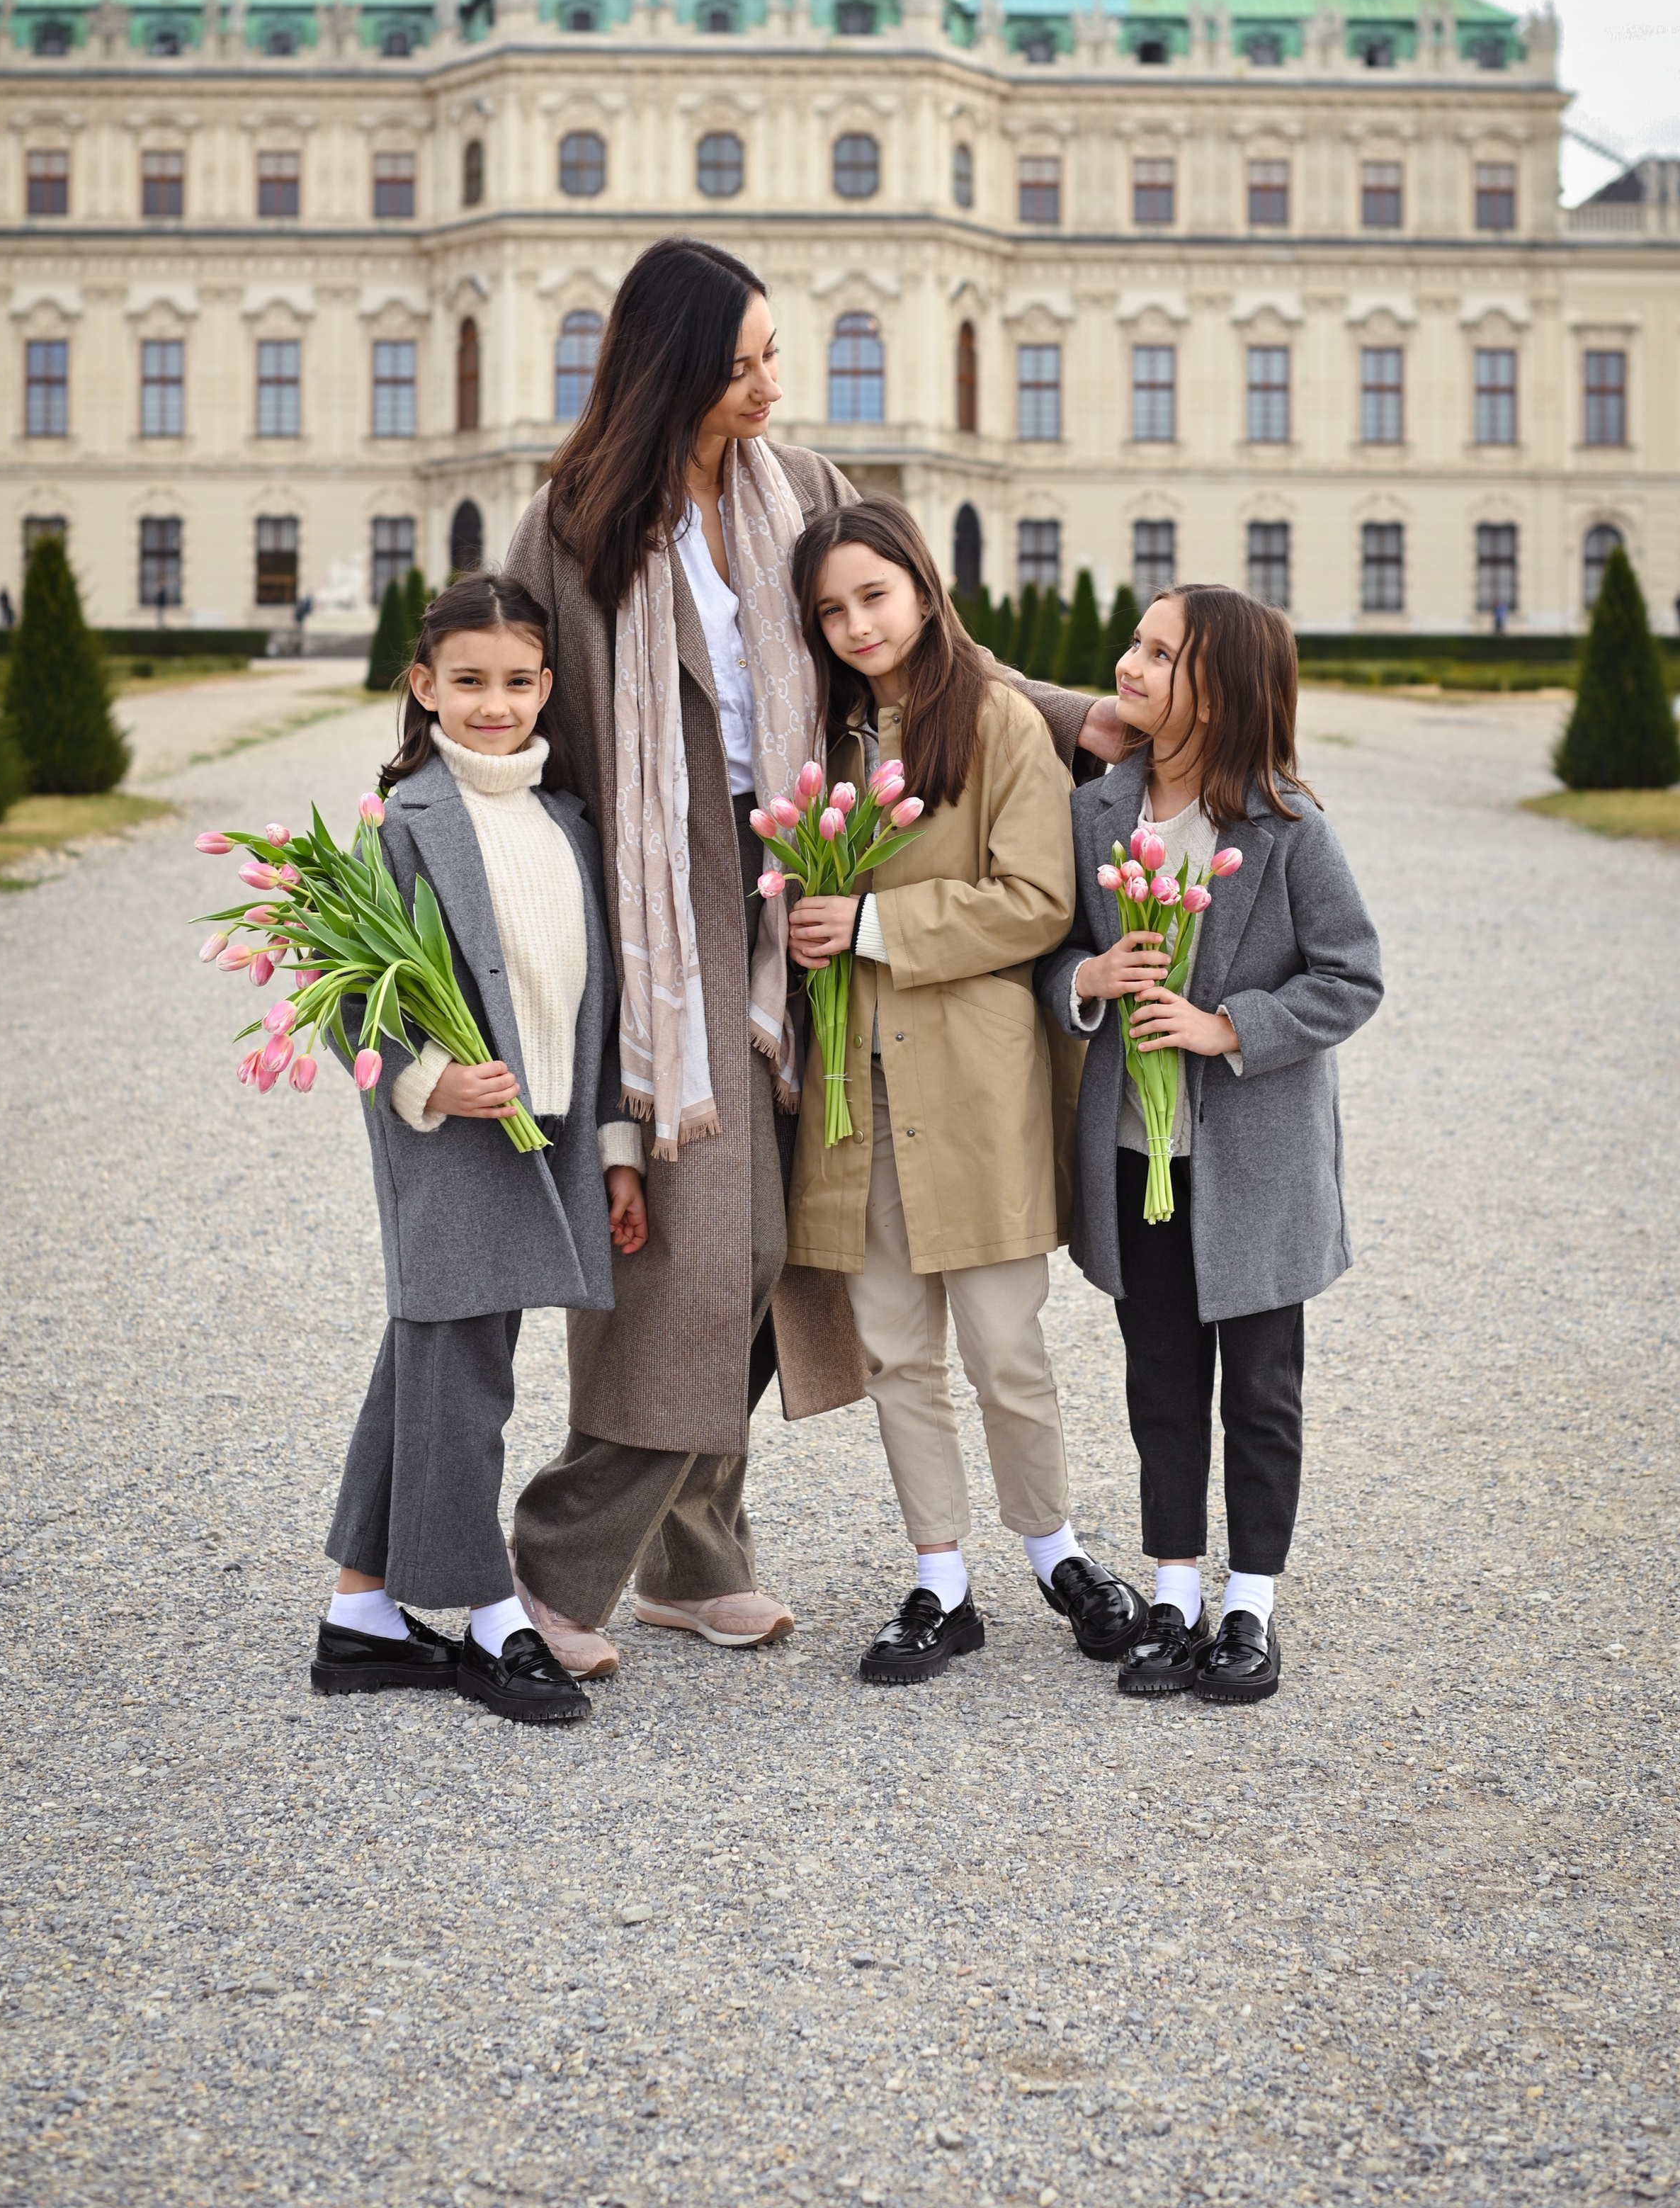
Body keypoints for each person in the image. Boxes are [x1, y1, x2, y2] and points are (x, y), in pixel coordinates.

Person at [504, 236, 1116, 1675]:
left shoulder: (802, 489)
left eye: (776, 351)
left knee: (794, 1245)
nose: (777, 382)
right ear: (670, 375)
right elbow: (509, 697)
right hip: (658, 895)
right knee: (724, 1243)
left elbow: (924, 648)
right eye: (744, 365)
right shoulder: (574, 522)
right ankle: (554, 1562)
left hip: (806, 881)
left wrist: (1082, 712)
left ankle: (696, 1556)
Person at [784, 499, 1150, 1683]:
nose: (854, 625)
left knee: (1005, 1340)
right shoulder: (828, 737)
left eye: (872, 596)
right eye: (830, 610)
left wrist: (874, 922)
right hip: (860, 1081)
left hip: (976, 1073)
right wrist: (807, 937)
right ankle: (941, 1580)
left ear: (922, 585)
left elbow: (1039, 901)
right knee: (894, 1343)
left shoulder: (994, 720)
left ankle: (1054, 1550)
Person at [311, 573, 648, 1726]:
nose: (494, 704)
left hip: (548, 1129)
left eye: (515, 682)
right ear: (425, 688)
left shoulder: (567, 821)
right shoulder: (401, 821)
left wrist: (615, 1151)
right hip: (450, 1132)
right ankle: (488, 1617)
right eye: (468, 683)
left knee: (431, 1353)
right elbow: (344, 991)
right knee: (468, 1372)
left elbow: (596, 1008)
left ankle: (361, 1615)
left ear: (546, 686)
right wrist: (428, 1079)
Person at [1035, 585, 1383, 1705]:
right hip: (1139, 1160)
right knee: (1162, 1379)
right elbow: (1048, 960)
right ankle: (1177, 1591)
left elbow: (1352, 976)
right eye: (1133, 642)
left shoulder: (1286, 829)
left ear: (1220, 690)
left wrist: (1227, 1026)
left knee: (1262, 1391)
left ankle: (1251, 1605)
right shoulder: (1098, 813)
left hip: (1257, 1167)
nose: (1128, 663)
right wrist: (1087, 982)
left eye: (1158, 652)